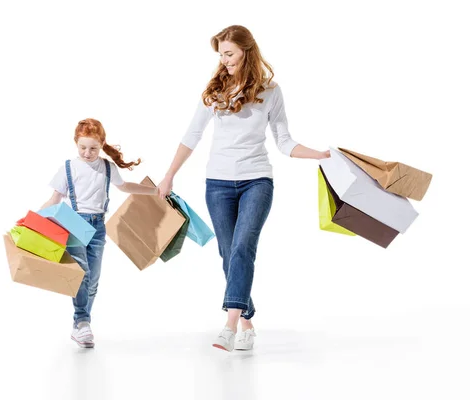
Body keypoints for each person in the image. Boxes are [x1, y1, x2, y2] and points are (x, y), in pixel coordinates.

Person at [157, 25, 330, 352]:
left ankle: (230, 325)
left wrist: (319, 154)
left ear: (247, 52)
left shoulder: (271, 91)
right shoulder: (216, 90)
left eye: (229, 54)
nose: (224, 61)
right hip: (218, 184)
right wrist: (168, 176)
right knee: (228, 253)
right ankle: (248, 321)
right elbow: (191, 136)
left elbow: (284, 141)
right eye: (221, 55)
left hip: (257, 181)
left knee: (242, 248)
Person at [40, 118, 158, 348]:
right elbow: (54, 200)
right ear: (76, 144)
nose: (87, 153)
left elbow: (124, 187)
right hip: (73, 223)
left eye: (93, 148)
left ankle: (80, 327)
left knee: (92, 281)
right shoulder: (68, 167)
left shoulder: (106, 167)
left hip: (98, 227)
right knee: (81, 272)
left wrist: (154, 191)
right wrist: (30, 222)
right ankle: (82, 321)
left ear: (102, 144)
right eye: (82, 147)